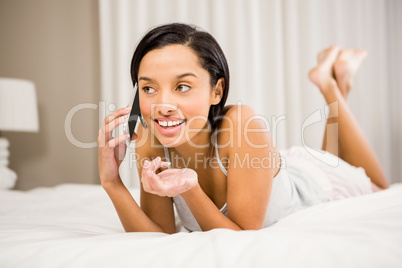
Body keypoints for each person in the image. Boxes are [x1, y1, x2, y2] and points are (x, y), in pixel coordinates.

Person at [97, 23, 389, 233]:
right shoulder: (150, 135)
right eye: (148, 88)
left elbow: (242, 236)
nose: (162, 104)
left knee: (379, 186)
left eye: (182, 86)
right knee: (333, 152)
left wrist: (189, 189)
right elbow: (158, 234)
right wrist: (112, 182)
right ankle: (337, 78)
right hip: (263, 168)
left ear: (216, 90)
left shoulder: (242, 124)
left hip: (314, 182)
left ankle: (330, 86)